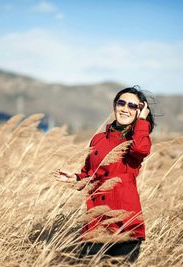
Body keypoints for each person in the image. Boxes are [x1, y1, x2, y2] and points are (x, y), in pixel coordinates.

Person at [53, 86, 155, 262]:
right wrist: (76, 178)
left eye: (133, 106)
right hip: (96, 221)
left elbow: (141, 149)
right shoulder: (98, 138)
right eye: (121, 103)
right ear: (115, 105)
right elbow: (91, 174)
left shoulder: (136, 139)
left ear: (140, 111)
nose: (125, 108)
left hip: (125, 223)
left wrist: (142, 122)